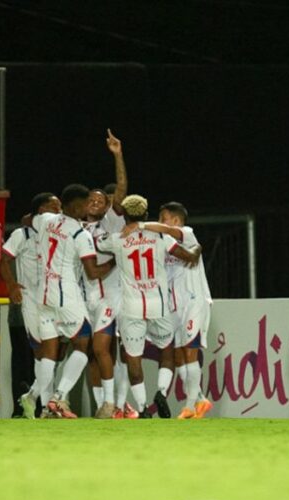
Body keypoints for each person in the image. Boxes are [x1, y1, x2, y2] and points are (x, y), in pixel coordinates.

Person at [97, 195, 201, 418]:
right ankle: (162, 393)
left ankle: (143, 407)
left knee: (133, 358)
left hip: (131, 306)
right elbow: (189, 257)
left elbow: (97, 243)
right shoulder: (161, 237)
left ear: (124, 215)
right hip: (159, 304)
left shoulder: (117, 239)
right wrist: (197, 249)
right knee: (167, 352)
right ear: (146, 215)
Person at [20, 184, 115, 419]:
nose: (86, 207)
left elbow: (26, 219)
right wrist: (115, 262)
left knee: (49, 352)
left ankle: (42, 406)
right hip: (66, 295)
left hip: (43, 294)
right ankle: (58, 397)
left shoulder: (46, 220)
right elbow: (93, 272)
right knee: (83, 343)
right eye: (84, 203)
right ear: (75, 205)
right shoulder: (79, 234)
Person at [143, 201, 214, 419]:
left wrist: (141, 225)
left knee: (190, 352)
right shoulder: (164, 245)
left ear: (175, 220)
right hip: (173, 305)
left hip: (193, 302)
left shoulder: (187, 234)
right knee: (178, 355)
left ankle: (190, 406)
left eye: (163, 217)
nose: (161, 221)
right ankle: (201, 399)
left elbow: (166, 230)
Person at [81, 129, 130, 419]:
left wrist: (118, 155)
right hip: (84, 295)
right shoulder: (75, 227)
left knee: (102, 348)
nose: (97, 202)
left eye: (102, 200)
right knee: (89, 354)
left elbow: (121, 189)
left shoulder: (110, 223)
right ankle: (102, 405)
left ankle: (111, 403)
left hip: (110, 294)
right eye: (93, 199)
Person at [1, 192, 61, 418]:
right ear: (42, 210)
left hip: (54, 300)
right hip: (31, 302)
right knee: (41, 353)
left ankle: (44, 405)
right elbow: (3, 259)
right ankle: (43, 405)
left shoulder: (58, 235)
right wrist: (12, 286)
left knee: (49, 352)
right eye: (54, 207)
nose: (59, 212)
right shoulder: (21, 234)